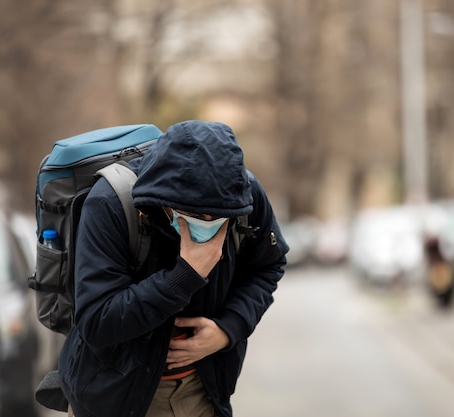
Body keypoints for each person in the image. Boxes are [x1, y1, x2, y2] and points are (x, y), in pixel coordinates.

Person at [58, 120, 289, 417]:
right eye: (194, 214)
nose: (206, 221)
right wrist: (185, 276)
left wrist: (229, 328)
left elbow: (267, 267)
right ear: (164, 201)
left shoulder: (245, 198)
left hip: (203, 392)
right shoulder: (110, 204)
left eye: (216, 216)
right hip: (115, 396)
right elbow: (97, 321)